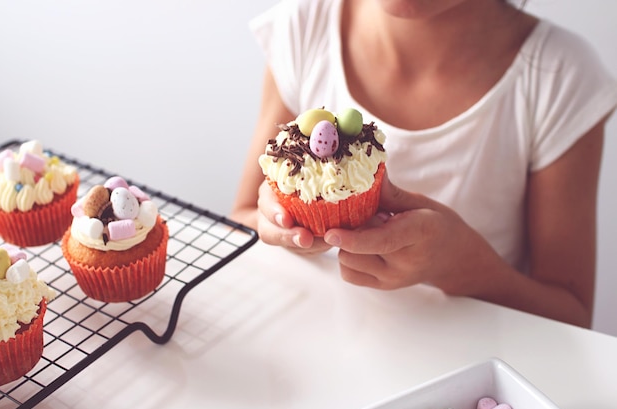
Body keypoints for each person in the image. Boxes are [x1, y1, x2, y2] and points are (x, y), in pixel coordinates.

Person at [230, 0, 617, 328]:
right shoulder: (305, 27)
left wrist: (460, 266)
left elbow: (571, 317)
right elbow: (243, 217)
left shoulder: (560, 78)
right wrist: (281, 227)